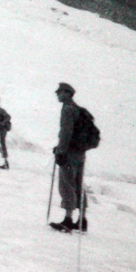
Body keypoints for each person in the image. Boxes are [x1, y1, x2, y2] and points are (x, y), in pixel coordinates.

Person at [51, 82, 87, 232]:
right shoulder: (78, 109)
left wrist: (61, 151)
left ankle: (68, 220)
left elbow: (66, 133)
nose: (57, 94)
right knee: (78, 184)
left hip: (69, 153)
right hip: (80, 153)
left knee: (67, 185)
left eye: (59, 92)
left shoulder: (67, 109)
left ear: (67, 93)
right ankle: (82, 220)